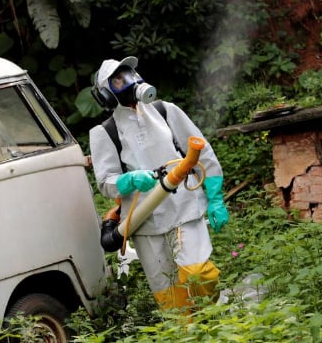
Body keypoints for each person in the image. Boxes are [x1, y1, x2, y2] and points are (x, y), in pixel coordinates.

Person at [89, 56, 229, 311]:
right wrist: (128, 180)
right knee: (171, 300)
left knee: (200, 275)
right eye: (119, 80)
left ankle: (211, 317)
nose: (129, 82)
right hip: (145, 220)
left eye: (129, 74)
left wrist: (215, 197)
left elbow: (201, 151)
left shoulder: (166, 110)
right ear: (107, 94)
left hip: (184, 207)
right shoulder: (104, 132)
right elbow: (105, 182)